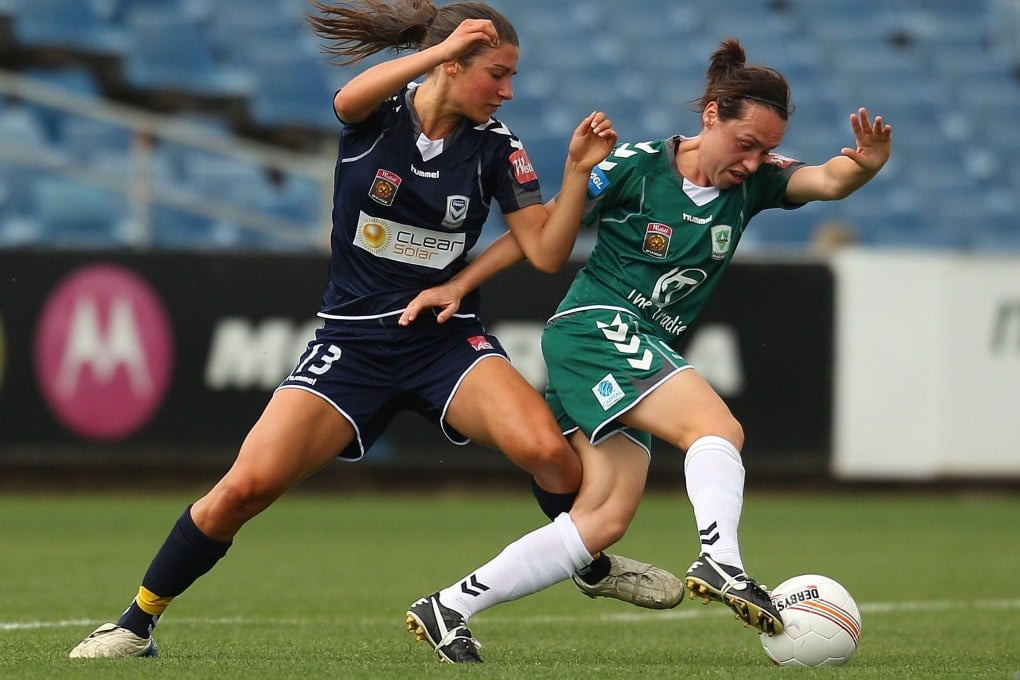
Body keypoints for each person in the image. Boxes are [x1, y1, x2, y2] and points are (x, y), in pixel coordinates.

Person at [68, 0, 683, 659]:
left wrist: (577, 173)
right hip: (351, 344)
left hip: (443, 342)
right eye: (496, 74)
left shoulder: (498, 147)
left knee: (546, 451)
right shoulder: (380, 115)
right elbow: (344, 99)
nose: (507, 91)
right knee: (241, 490)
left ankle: (588, 565)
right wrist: (432, 57)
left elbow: (545, 253)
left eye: (511, 77)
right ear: (450, 65)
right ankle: (135, 623)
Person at [400, 37, 892, 663]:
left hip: (634, 344)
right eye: (747, 145)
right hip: (594, 325)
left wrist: (868, 164)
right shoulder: (635, 165)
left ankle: (448, 607)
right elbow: (545, 227)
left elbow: (829, 177)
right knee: (716, 427)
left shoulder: (757, 184)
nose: (754, 161)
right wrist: (459, 282)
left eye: (767, 150)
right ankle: (723, 564)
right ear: (711, 115)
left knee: (602, 519)